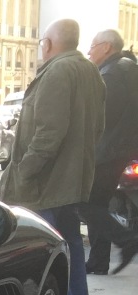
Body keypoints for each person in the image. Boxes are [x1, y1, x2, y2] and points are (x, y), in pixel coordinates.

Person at [0, 19, 105, 295]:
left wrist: (24, 170)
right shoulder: (89, 70)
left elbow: (48, 134)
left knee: (41, 244)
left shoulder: (58, 72)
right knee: (68, 239)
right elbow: (98, 127)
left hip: (47, 182)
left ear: (48, 44)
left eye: (42, 41)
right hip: (69, 178)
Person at [82, 29, 138, 274]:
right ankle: (98, 261)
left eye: (93, 45)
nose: (89, 51)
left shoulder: (113, 73)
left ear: (106, 47)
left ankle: (126, 241)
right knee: (98, 203)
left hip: (109, 149)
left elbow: (101, 115)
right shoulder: (129, 68)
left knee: (83, 202)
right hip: (121, 148)